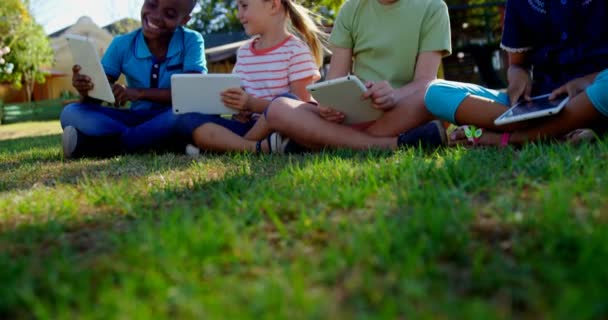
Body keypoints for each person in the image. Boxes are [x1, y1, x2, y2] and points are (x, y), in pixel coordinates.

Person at [260, 0, 452, 152]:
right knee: (279, 107)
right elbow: (335, 80)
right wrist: (328, 105)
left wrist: (393, 96)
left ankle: (318, 140)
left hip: (403, 109)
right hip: (353, 115)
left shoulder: (433, 7)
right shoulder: (351, 8)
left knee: (436, 96)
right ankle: (393, 144)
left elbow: (425, 81)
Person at [424, 0, 608, 146]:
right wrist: (519, 79)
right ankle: (556, 127)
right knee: (436, 93)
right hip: (542, 101)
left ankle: (509, 138)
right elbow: (518, 65)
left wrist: (588, 81)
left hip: (595, 92)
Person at [60, 0, 207, 158]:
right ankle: (158, 142)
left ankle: (104, 145)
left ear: (184, 20)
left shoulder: (192, 40)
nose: (156, 16)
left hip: (172, 116)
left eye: (169, 14)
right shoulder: (122, 44)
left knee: (187, 117)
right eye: (151, 4)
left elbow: (192, 94)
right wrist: (86, 88)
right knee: (71, 112)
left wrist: (138, 93)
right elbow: (92, 102)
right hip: (135, 119)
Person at [176, 0, 323, 154]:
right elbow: (242, 94)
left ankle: (232, 145)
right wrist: (238, 110)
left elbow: (300, 110)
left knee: (286, 99)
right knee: (190, 120)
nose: (239, 15)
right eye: (238, 7)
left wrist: (252, 104)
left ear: (273, 5)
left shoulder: (296, 50)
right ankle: (257, 147)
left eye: (244, 6)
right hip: (250, 127)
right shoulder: (244, 52)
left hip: (280, 128)